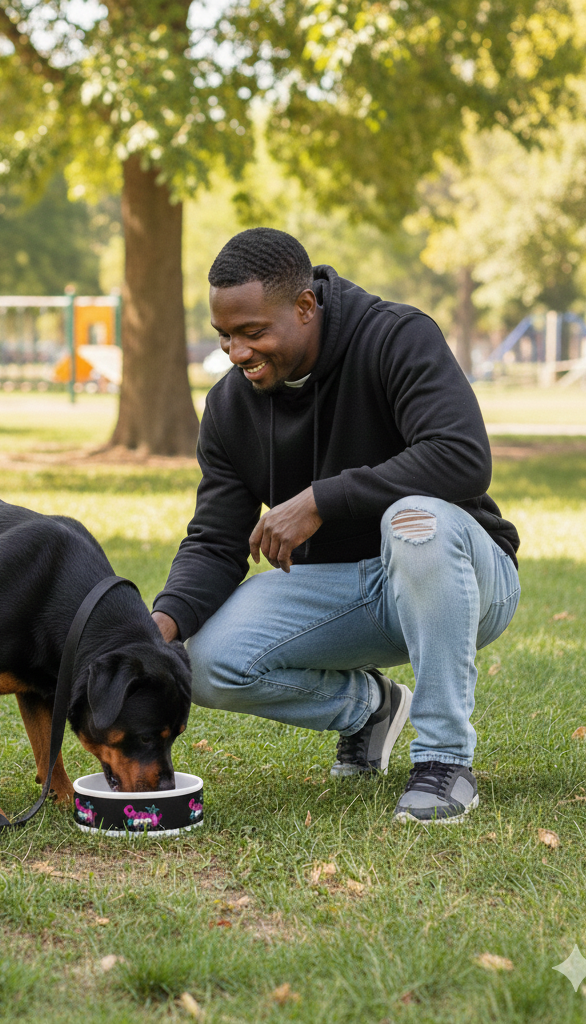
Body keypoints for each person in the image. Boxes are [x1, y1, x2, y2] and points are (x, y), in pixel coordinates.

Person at [151, 228, 520, 823]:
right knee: (204, 662)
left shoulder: (395, 337)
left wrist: (323, 499)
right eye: (225, 335)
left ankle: (444, 761)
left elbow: (461, 455)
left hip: (463, 577)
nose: (237, 352)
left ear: (305, 307)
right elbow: (216, 541)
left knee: (413, 518)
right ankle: (370, 709)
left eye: (252, 332)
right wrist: (159, 625)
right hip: (349, 592)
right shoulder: (228, 408)